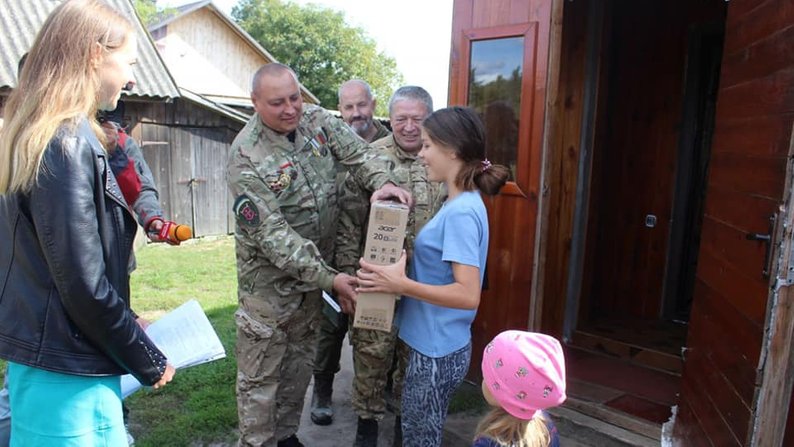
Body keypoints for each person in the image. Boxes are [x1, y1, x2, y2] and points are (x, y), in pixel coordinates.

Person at [0, 1, 176, 445]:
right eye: (129, 62)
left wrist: (128, 319)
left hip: (48, 362)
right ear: (96, 55)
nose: (132, 77)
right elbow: (83, 283)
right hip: (71, 372)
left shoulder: (37, 134)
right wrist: (147, 358)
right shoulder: (65, 142)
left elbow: (48, 266)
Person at [226, 62, 411, 447]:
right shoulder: (246, 157)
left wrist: (382, 183)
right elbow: (272, 237)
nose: (291, 108)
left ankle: (287, 435)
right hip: (270, 295)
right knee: (261, 381)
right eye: (278, 102)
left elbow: (360, 155)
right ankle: (259, 442)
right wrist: (331, 279)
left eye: (295, 97)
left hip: (312, 287)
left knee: (298, 368)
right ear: (255, 102)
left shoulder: (316, 121)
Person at [357, 106, 510, 446]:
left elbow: (467, 294)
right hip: (437, 345)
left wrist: (399, 285)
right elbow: (444, 267)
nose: (421, 154)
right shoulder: (460, 201)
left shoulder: (461, 211)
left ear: (452, 150)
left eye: (427, 146)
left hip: (437, 352)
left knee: (419, 439)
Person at [316, 86, 444, 447]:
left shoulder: (441, 158)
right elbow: (347, 226)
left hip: (424, 286)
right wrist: (346, 278)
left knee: (413, 362)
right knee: (371, 357)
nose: (407, 127)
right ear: (390, 117)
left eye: (416, 119)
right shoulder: (368, 159)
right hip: (375, 282)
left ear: (429, 120)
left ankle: (404, 427)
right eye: (400, 118)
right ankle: (367, 428)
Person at [474, 330, 566, 447]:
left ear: (502, 392)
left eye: (486, 375)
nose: (484, 379)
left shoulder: (489, 442)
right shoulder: (545, 427)